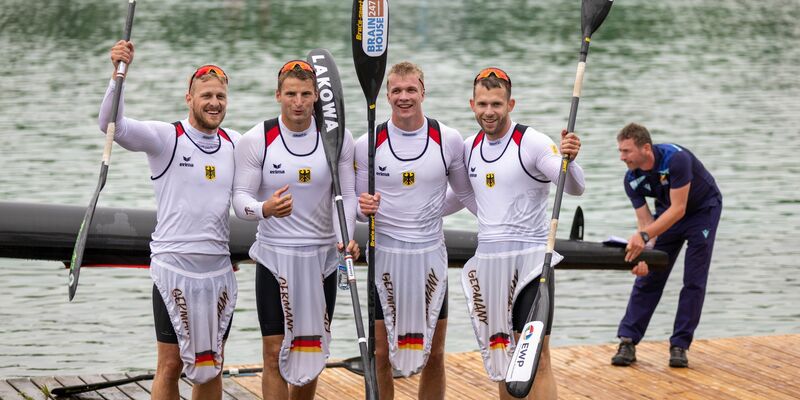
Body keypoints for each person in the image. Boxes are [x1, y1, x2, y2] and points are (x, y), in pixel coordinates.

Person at [100, 41, 240, 399]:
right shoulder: (167, 138)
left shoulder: (237, 143)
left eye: (220, 96)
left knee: (211, 365)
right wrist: (119, 74)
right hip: (173, 269)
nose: (214, 103)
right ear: (189, 98)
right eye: (206, 95)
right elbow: (111, 124)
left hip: (217, 272)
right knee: (171, 365)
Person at [444, 67, 584, 400]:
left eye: (496, 104)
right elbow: (454, 200)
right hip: (490, 266)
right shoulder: (468, 148)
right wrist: (390, 214)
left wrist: (569, 159)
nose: (488, 112)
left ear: (511, 104)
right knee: (504, 359)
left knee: (538, 358)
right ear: (471, 104)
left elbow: (575, 187)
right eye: (482, 104)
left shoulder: (532, 142)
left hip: (533, 264)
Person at [232, 59, 359, 400]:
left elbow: (345, 196)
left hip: (322, 260)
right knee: (272, 353)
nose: (298, 102)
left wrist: (345, 237)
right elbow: (239, 198)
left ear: (317, 96)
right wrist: (264, 209)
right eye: (291, 94)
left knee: (309, 352)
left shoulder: (336, 138)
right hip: (275, 258)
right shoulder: (257, 138)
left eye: (305, 94)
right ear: (278, 95)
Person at [356, 61, 474, 400]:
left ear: (423, 91)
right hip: (385, 256)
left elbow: (465, 194)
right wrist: (362, 214)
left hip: (430, 256)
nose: (404, 97)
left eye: (411, 90)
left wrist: (432, 212)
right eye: (396, 90)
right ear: (386, 94)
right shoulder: (368, 141)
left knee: (434, 354)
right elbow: (356, 207)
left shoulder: (447, 139)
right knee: (381, 353)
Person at [611, 122, 722, 368]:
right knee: (649, 277)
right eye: (620, 151)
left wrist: (644, 237)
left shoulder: (676, 160)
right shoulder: (632, 180)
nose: (622, 157)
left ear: (646, 148)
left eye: (626, 151)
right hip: (668, 215)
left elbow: (679, 209)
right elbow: (646, 223)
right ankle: (628, 341)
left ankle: (679, 345)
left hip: (701, 212)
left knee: (693, 280)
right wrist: (644, 256)